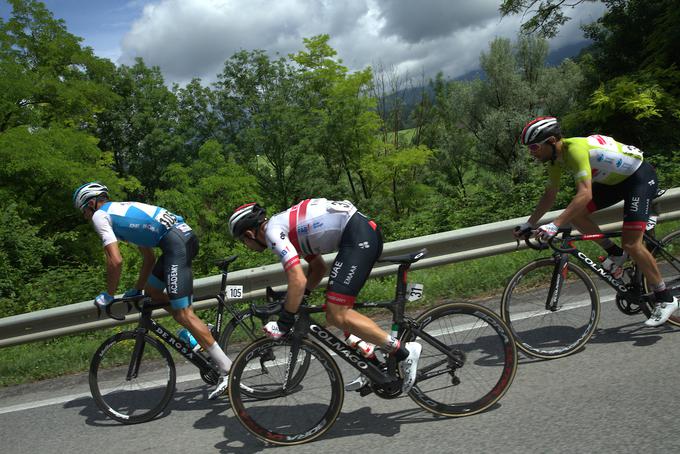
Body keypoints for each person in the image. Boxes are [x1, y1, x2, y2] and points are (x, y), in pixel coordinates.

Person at [228, 199, 422, 393]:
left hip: (357, 237)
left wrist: (284, 322)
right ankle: (373, 358)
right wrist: (300, 297)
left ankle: (403, 351)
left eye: (243, 241)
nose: (246, 245)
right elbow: (318, 268)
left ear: (249, 234)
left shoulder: (272, 233)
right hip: (358, 234)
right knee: (336, 311)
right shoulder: (287, 229)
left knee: (337, 313)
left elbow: (298, 279)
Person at [73, 182, 232, 399]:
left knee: (185, 313)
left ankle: (228, 371)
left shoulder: (100, 216)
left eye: (83, 211)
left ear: (91, 203)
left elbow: (115, 261)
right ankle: (199, 333)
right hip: (176, 240)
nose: (85, 217)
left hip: (176, 243)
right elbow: (149, 258)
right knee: (153, 292)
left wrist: (108, 294)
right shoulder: (121, 212)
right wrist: (137, 289)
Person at [514, 116, 678, 326]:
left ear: (552, 141)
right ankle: (615, 253)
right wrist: (530, 223)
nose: (532, 152)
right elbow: (550, 194)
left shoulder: (575, 150)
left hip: (639, 178)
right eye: (529, 148)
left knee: (632, 243)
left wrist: (555, 225)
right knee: (578, 215)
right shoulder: (556, 159)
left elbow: (585, 194)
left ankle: (665, 297)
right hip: (616, 182)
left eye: (535, 146)